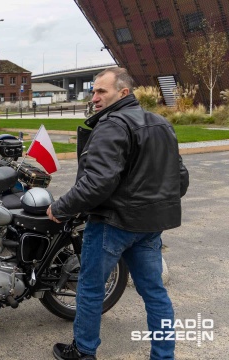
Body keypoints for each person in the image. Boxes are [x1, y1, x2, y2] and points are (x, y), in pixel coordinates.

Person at [46, 68, 189, 360]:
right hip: (148, 226)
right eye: (94, 91)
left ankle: (84, 351)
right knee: (154, 293)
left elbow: (97, 183)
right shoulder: (162, 124)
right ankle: (164, 356)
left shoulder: (112, 124)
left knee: (90, 289)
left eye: (102, 91)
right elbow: (180, 179)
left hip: (112, 223)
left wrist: (59, 208)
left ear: (123, 93)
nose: (94, 97)